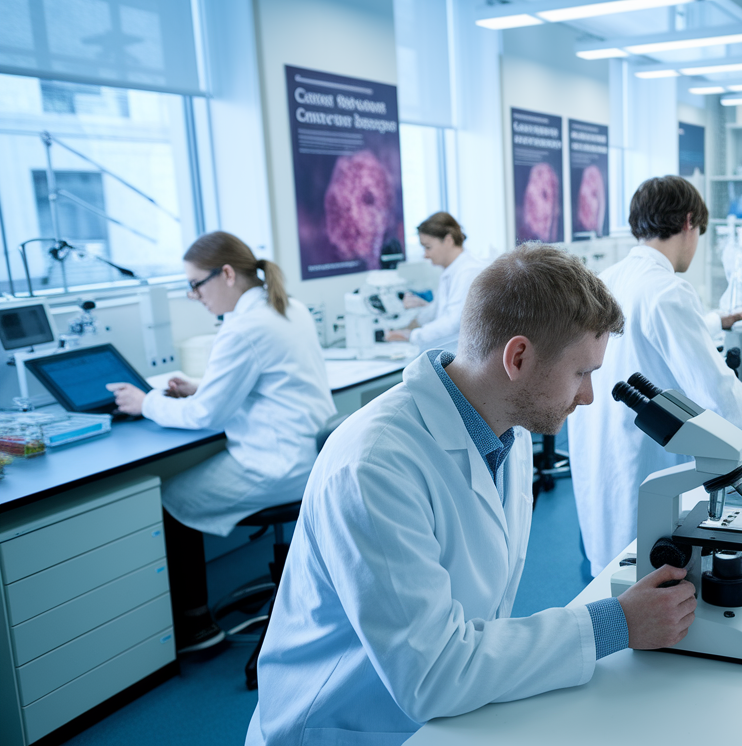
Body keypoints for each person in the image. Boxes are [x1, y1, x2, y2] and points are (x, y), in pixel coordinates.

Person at [247, 245, 697, 746]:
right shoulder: (375, 465)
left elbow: (472, 626)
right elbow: (433, 673)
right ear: (518, 357)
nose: (588, 395)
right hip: (353, 725)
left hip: (450, 711)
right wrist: (613, 625)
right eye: (581, 373)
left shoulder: (509, 431)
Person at [569, 176, 742, 577]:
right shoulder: (668, 289)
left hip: (599, 461)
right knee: (651, 577)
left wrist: (713, 321)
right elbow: (720, 398)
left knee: (612, 575)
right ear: (689, 222)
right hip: (645, 465)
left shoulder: (605, 279)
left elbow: (643, 330)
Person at [108, 232, 336, 652]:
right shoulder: (287, 308)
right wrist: (203, 385)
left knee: (172, 499)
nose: (194, 296)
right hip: (312, 456)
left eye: (196, 284)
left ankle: (196, 626)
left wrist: (146, 403)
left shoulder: (245, 327)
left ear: (227, 274)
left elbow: (204, 416)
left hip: (275, 464)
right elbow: (263, 381)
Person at [386, 212, 486, 353]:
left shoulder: (468, 271)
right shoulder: (450, 272)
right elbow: (436, 313)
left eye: (428, 247)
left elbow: (453, 323)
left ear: (448, 240)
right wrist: (413, 318)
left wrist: (412, 335)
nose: (425, 255)